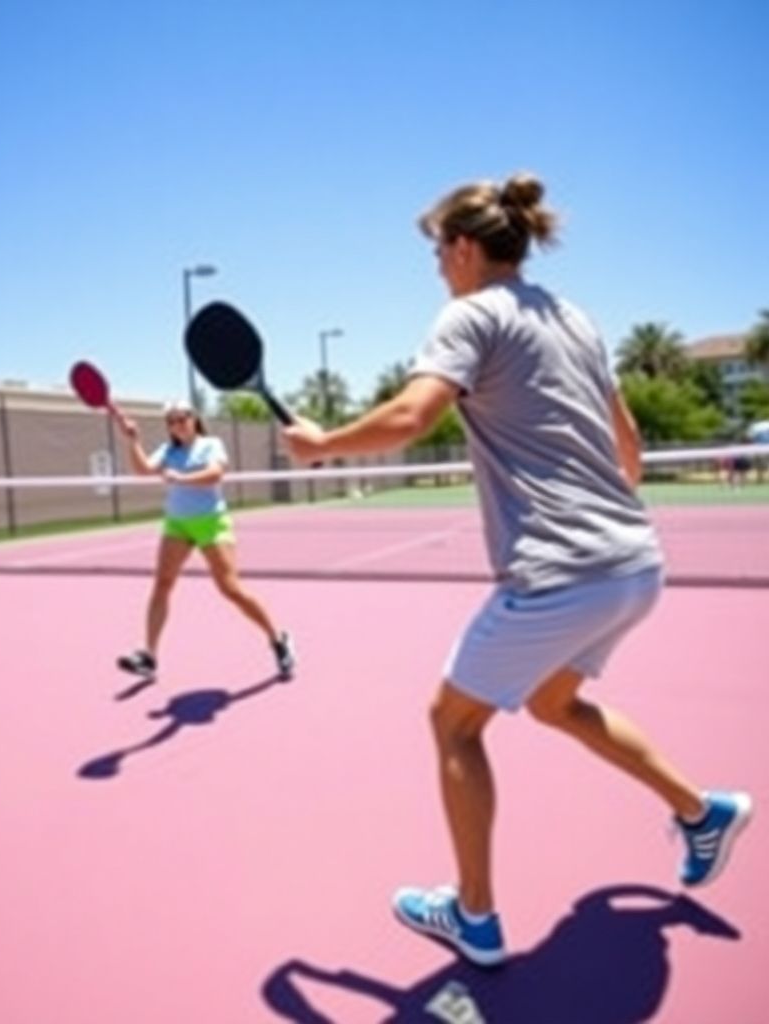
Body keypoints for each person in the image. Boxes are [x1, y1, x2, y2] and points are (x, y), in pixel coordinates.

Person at [282, 173, 752, 967]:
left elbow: (411, 416)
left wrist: (322, 444)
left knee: (452, 722)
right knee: (553, 703)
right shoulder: (574, 317)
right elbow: (627, 438)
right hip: (635, 562)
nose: (436, 267)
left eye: (438, 251)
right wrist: (603, 522)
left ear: (465, 248)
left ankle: (474, 917)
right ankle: (701, 813)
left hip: (561, 571)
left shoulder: (469, 314)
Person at [112, 400, 295, 681]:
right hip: (177, 524)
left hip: (211, 523)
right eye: (171, 421)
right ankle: (149, 656)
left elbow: (216, 474)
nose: (177, 424)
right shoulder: (168, 451)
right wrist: (133, 440)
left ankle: (278, 639)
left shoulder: (211, 444)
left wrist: (181, 478)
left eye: (181, 418)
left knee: (230, 589)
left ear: (193, 418)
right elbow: (143, 470)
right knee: (162, 584)